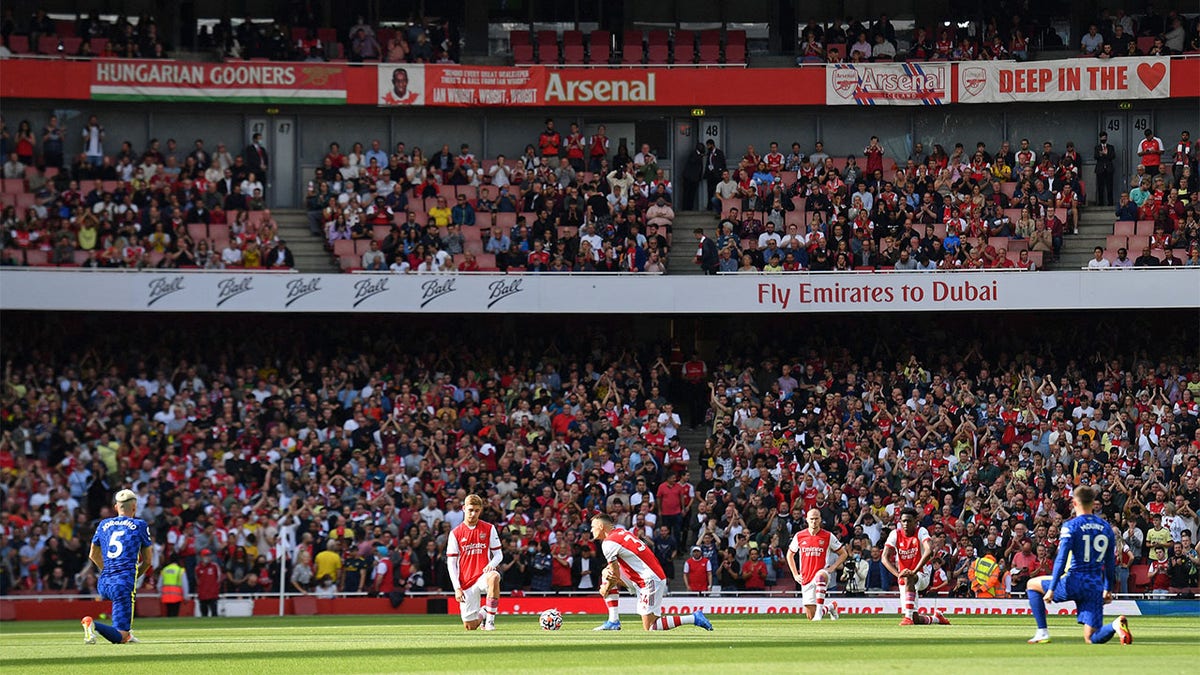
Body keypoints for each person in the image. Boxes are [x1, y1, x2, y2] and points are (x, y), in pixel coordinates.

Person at [1026, 486, 1132, 645]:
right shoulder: (1106, 528)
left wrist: (1052, 588)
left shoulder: (1071, 526)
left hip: (1073, 581)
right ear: (1093, 503)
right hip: (1094, 585)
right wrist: (1107, 588)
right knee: (1091, 638)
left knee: (1031, 584)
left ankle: (1042, 632)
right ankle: (1115, 625)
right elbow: (1110, 562)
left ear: (1075, 503)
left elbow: (1061, 559)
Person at [590, 513, 712, 632]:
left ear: (601, 526)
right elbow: (615, 571)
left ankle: (694, 618)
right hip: (643, 576)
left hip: (650, 580)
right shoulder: (622, 532)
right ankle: (613, 621)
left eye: (593, 527)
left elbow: (615, 575)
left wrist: (605, 589)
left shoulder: (609, 543)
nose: (591, 530)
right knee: (606, 572)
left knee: (651, 626)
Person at [81, 489, 152, 644]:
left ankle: (128, 635)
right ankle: (92, 624)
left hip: (104, 582)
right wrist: (134, 576)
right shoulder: (139, 525)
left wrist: (108, 570)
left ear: (116, 507)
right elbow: (147, 561)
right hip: (123, 582)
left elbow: (93, 555)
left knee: (124, 629)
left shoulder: (103, 524)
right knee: (121, 636)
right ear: (134, 507)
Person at [882, 507, 950, 626]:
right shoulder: (895, 534)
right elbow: (884, 558)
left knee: (909, 577)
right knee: (916, 619)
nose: (906, 524)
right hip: (904, 577)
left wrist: (914, 571)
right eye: (903, 521)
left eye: (909, 521)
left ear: (915, 521)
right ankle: (936, 618)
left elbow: (929, 551)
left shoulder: (921, 531)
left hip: (922, 573)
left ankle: (907, 618)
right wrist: (898, 574)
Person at [446, 494, 502, 631]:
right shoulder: (455, 533)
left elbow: (498, 554)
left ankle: (490, 623)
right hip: (466, 580)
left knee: (494, 577)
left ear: (480, 510)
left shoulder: (489, 528)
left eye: (477, 510)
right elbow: (451, 563)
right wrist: (457, 588)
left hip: (483, 574)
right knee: (470, 626)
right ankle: (484, 612)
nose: (473, 514)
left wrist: (491, 565)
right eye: (470, 510)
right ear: (464, 508)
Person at [787, 508, 848, 621]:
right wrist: (795, 574)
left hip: (823, 573)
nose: (814, 521)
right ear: (807, 520)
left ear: (820, 520)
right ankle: (831, 607)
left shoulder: (828, 536)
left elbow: (843, 553)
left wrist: (833, 567)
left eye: (816, 519)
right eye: (811, 519)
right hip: (806, 577)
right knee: (811, 616)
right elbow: (789, 555)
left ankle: (819, 612)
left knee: (820, 576)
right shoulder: (799, 536)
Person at [195, 548, 221, 617]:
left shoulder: (214, 566)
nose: (208, 557)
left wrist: (215, 589)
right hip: (202, 595)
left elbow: (218, 579)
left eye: (209, 555)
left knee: (214, 614)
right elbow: (197, 580)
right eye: (206, 555)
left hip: (213, 595)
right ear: (201, 557)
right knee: (204, 614)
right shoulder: (198, 568)